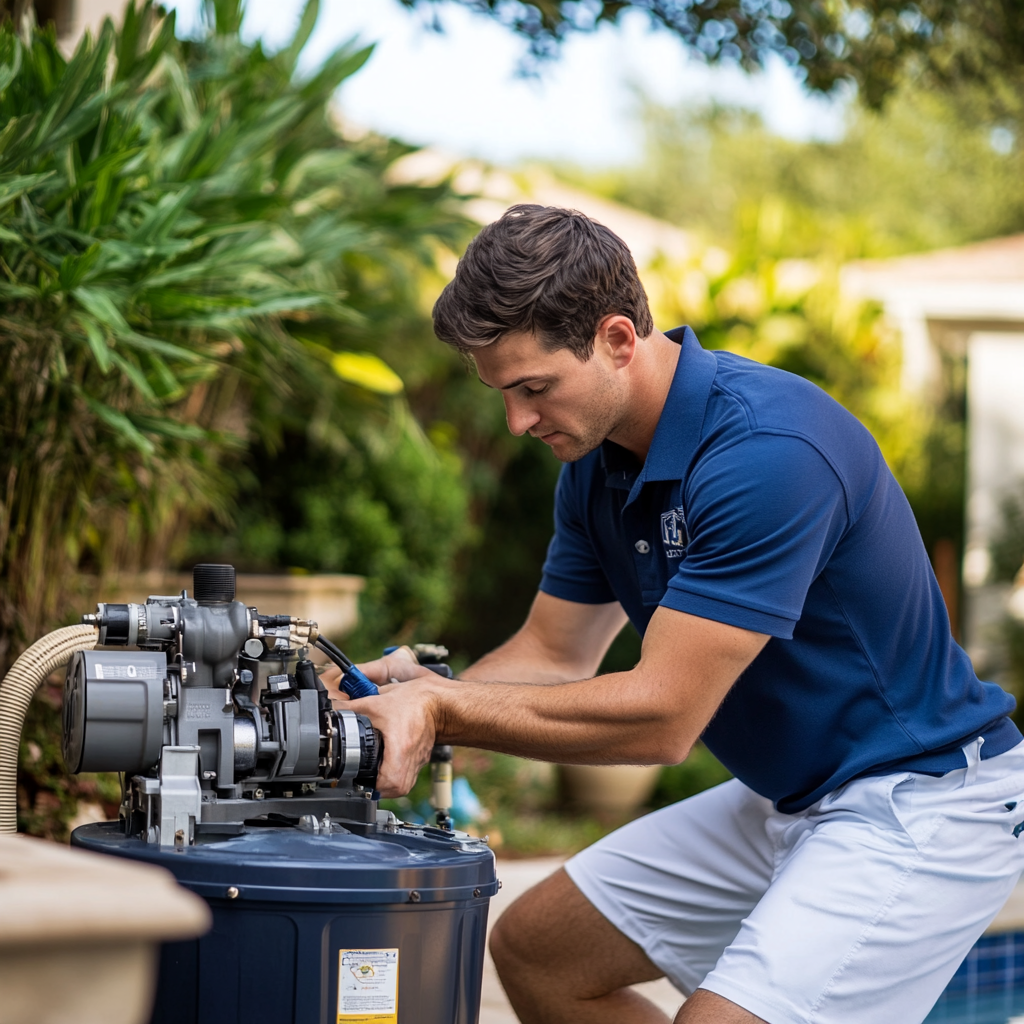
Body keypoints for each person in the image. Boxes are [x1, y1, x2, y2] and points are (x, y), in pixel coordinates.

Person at [345, 205, 1024, 1024]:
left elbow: (662, 718)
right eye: (501, 393)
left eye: (533, 388)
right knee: (540, 951)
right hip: (790, 795)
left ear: (619, 339)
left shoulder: (767, 453)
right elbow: (554, 653)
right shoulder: (596, 466)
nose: (518, 422)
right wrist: (403, 697)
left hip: (923, 798)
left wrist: (446, 709)